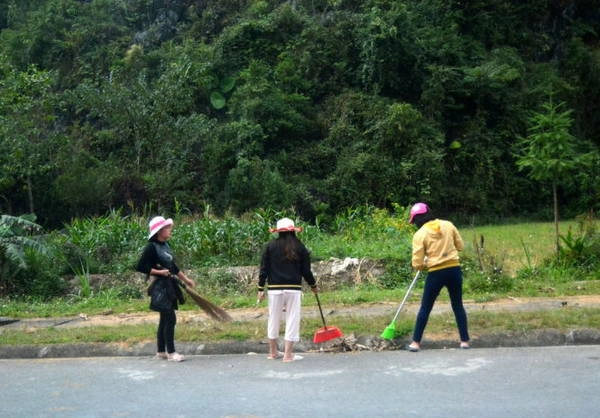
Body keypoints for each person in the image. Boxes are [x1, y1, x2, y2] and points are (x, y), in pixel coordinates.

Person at [407, 203, 470, 352]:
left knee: (426, 307)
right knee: (457, 305)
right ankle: (464, 341)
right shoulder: (448, 225)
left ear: (416, 220)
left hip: (436, 273)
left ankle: (415, 343)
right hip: (454, 270)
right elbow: (460, 246)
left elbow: (416, 263)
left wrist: (424, 264)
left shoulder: (420, 234)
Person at [257, 218, 318, 362]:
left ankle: (273, 353)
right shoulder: (300, 247)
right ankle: (288, 355)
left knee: (273, 319)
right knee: (292, 319)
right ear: (292, 230)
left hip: (274, 289)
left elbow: (263, 269)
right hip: (293, 289)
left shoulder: (270, 246)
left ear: (278, 232)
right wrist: (313, 285)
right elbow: (306, 271)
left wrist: (260, 288)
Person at [136, 216, 196, 362]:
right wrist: (159, 272)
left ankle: (161, 351)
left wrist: (186, 280)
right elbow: (141, 266)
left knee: (165, 319)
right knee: (170, 318)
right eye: (167, 228)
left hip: (169, 286)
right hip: (160, 288)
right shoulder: (151, 247)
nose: (170, 230)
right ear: (159, 231)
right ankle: (171, 352)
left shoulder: (165, 245)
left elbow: (173, 267)